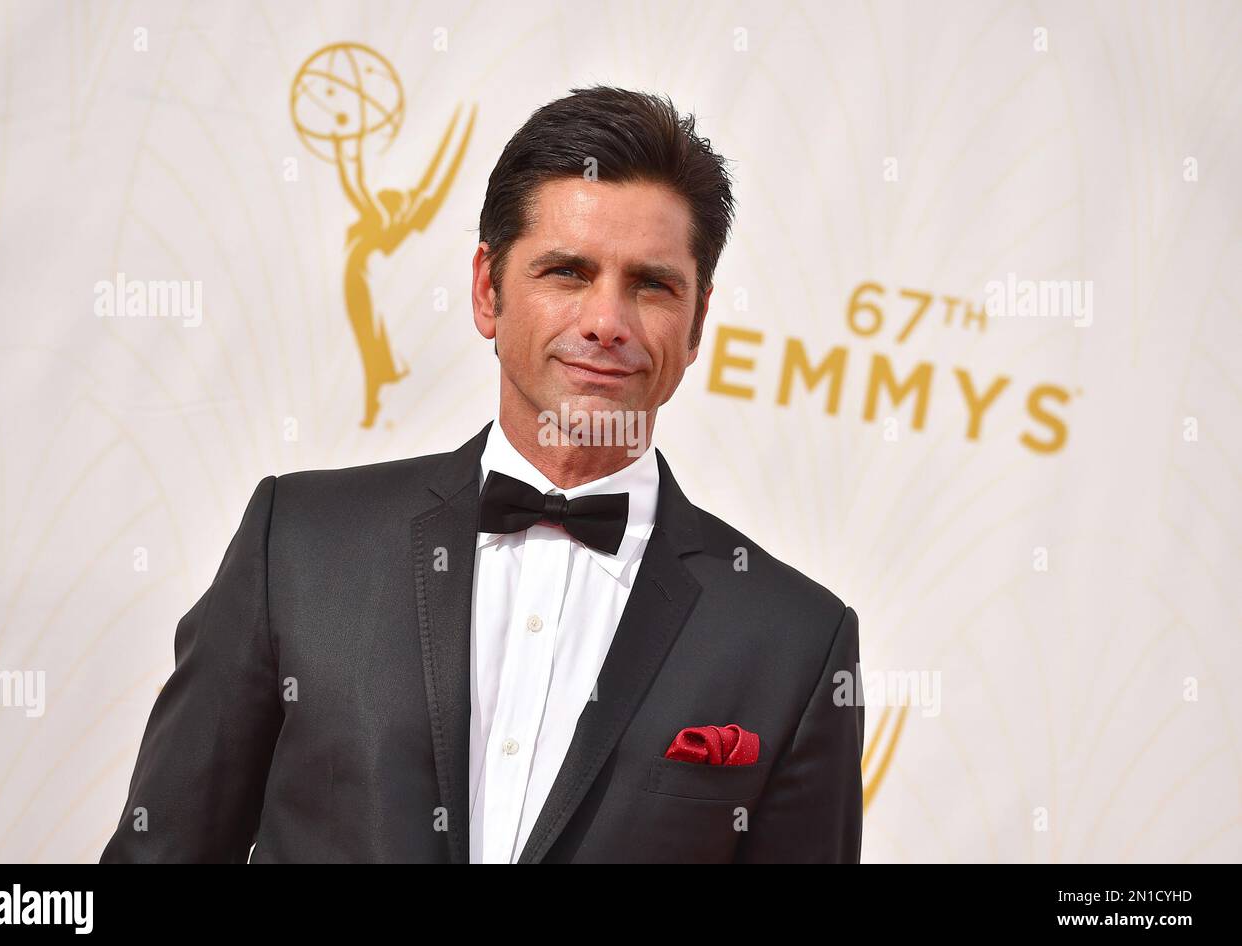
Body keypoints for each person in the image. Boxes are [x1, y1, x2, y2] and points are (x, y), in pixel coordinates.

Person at [101, 85, 863, 864]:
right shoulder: (296, 548)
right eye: (567, 272)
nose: (606, 322)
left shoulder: (794, 642)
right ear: (486, 291)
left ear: (698, 323)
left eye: (651, 284)